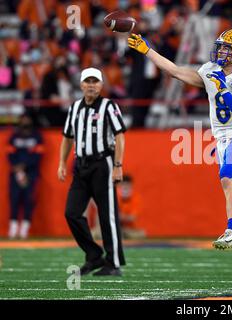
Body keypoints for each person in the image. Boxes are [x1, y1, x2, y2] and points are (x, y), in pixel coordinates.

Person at [128, 29, 232, 288]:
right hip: (223, 141)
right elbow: (175, 70)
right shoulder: (210, 71)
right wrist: (147, 51)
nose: (220, 52)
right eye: (220, 46)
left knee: (227, 177)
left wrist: (222, 87)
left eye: (226, 48)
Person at [57, 67, 126, 276]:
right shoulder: (75, 108)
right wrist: (62, 162)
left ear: (101, 85)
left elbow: (120, 136)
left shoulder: (108, 106)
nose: (91, 85)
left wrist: (117, 165)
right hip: (81, 165)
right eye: (87, 81)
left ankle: (113, 263)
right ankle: (94, 255)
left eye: (95, 81)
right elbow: (68, 137)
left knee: (107, 215)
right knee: (72, 213)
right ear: (81, 84)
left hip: (102, 163)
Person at [7, 113, 44, 239]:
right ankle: (12, 230)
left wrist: (24, 167)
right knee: (14, 201)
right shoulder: (14, 136)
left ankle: (24, 230)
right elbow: (10, 154)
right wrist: (18, 169)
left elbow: (38, 155)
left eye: (27, 119)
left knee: (29, 201)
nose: (25, 122)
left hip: (32, 174)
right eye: (23, 119)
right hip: (15, 174)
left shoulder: (37, 136)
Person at [117, 175, 146, 239]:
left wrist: (120, 216)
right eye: (123, 186)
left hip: (129, 229)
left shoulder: (136, 198)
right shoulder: (114, 196)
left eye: (127, 187)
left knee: (142, 233)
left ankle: (122, 234)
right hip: (114, 227)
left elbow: (132, 218)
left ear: (131, 186)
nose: (125, 188)